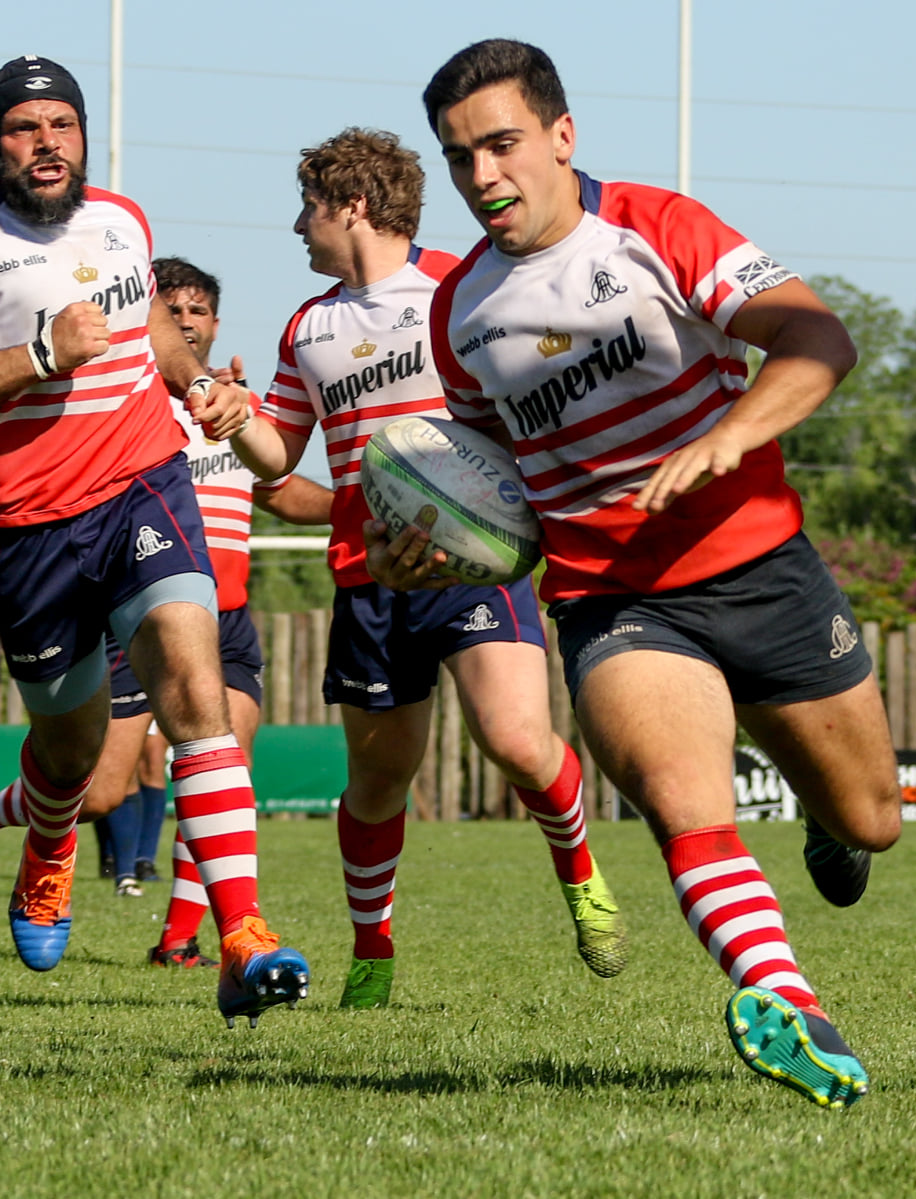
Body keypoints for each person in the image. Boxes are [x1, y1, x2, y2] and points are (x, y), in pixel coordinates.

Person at [382, 39, 900, 1107]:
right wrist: (437, 542)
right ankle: (790, 1006)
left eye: (501, 145)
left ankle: (824, 817)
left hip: (759, 565)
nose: (482, 176)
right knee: (681, 799)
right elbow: (494, 491)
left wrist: (729, 435)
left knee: (871, 818)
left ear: (563, 137)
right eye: (458, 157)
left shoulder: (661, 229)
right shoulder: (459, 314)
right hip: (611, 597)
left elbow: (818, 337)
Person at [0, 54, 309, 1026]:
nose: (46, 144)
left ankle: (240, 935)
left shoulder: (122, 221)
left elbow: (149, 323)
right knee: (71, 755)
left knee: (197, 692)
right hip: (31, 526)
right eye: (25, 129)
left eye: (61, 126)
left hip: (143, 486)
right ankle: (46, 844)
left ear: (83, 135)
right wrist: (35, 357)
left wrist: (199, 384)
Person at [225, 127, 627, 1010]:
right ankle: (372, 949)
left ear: (353, 207)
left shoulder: (462, 286)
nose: (298, 227)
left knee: (517, 738)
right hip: (369, 577)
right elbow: (280, 453)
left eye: (308, 209)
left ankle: (584, 881)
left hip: (478, 563)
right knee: (376, 780)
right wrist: (232, 417)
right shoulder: (310, 326)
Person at [0, 257, 331, 977]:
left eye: (200, 308)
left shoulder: (227, 400)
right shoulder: (132, 405)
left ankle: (209, 941)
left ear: (216, 322)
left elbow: (280, 485)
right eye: (174, 308)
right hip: (124, 604)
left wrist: (366, 507)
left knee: (215, 743)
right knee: (94, 785)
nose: (188, 319)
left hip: (220, 614)